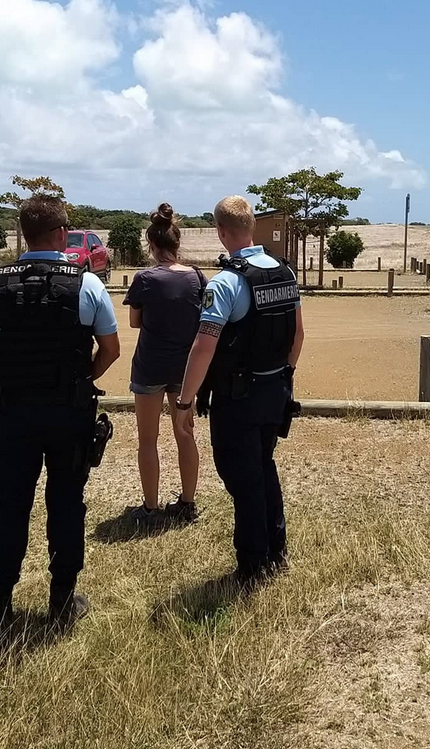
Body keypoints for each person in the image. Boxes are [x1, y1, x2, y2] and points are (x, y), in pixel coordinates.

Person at [0, 195, 120, 633]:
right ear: (62, 233)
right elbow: (111, 350)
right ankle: (62, 601)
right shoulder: (86, 284)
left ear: (25, 235)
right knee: (66, 504)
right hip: (69, 414)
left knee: (8, 508)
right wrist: (80, 378)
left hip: (12, 415)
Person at [175, 196, 304, 584]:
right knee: (264, 466)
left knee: (242, 477)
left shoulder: (227, 282)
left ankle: (252, 565)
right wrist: (285, 374)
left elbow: (204, 346)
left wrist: (184, 401)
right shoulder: (285, 272)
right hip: (274, 390)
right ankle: (276, 551)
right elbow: (298, 334)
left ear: (221, 231)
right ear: (252, 227)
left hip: (238, 398)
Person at [121, 203, 205, 527]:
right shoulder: (198, 277)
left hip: (149, 367)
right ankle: (187, 502)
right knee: (185, 434)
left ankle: (151, 507)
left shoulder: (144, 279)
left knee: (147, 439)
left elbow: (134, 321)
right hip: (185, 371)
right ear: (177, 243)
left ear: (152, 245)